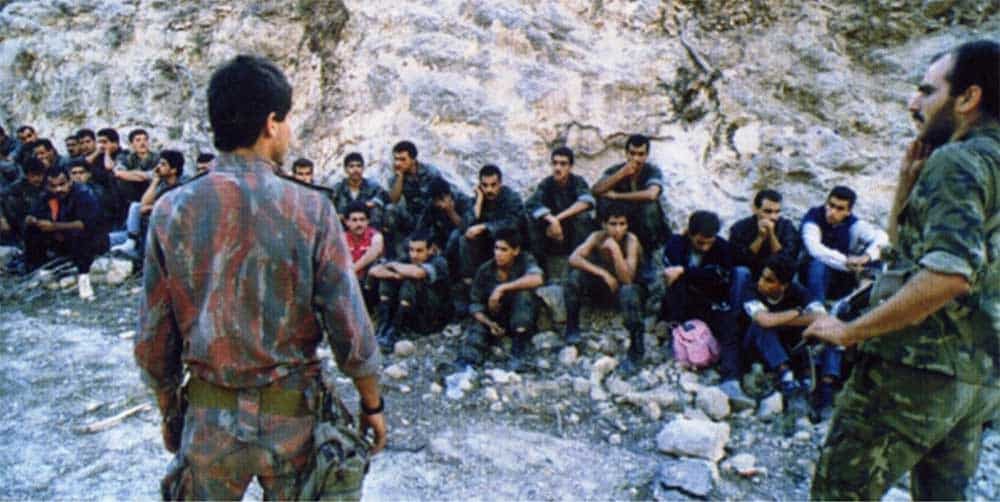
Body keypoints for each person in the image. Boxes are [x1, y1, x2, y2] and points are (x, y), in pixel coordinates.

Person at [134, 54, 386, 500]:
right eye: (285, 120)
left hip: (209, 420)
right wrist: (372, 403)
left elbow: (154, 337)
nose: (287, 131)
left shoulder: (172, 210)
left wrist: (169, 410)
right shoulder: (312, 209)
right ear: (271, 124)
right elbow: (350, 327)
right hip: (292, 422)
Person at [806, 40, 1000, 500]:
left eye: (927, 91)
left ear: (968, 98)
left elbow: (948, 276)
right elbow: (910, 257)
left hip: (912, 370)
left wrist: (850, 332)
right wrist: (906, 189)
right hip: (979, 380)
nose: (915, 103)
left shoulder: (960, 160)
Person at [661, 210, 753, 408]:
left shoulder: (721, 247)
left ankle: (731, 381)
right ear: (690, 234)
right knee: (677, 285)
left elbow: (719, 275)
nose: (705, 248)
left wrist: (685, 271)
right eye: (700, 243)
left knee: (730, 329)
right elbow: (671, 273)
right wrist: (692, 275)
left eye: (709, 243)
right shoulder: (676, 244)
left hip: (711, 301)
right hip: (684, 302)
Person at [740, 255, 839, 418]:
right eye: (762, 277)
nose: (761, 282)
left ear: (784, 285)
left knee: (829, 329)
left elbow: (821, 316)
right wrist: (796, 312)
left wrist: (780, 320)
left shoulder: (798, 291)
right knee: (760, 326)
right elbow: (764, 320)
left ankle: (825, 392)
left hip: (789, 346)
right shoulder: (751, 291)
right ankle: (787, 379)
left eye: (769, 280)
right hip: (757, 349)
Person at [563, 204, 644, 373]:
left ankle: (636, 348)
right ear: (604, 225)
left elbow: (627, 279)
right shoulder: (597, 237)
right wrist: (603, 273)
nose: (618, 229)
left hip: (628, 292)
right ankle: (572, 327)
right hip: (605, 287)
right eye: (613, 224)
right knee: (574, 277)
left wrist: (615, 251)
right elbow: (574, 258)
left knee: (628, 292)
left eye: (622, 224)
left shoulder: (631, 240)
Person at [455, 227, 543, 371]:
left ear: (515, 251)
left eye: (504, 249)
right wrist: (489, 323)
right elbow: (475, 304)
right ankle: (468, 362)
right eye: (496, 248)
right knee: (476, 331)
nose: (498, 253)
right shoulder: (485, 270)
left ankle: (518, 353)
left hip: (519, 317)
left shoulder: (525, 260)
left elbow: (537, 279)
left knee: (524, 295)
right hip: (494, 317)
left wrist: (501, 288)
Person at [23, 165, 106, 299]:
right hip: (61, 238)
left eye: (62, 184)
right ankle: (37, 270)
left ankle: (84, 278)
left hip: (91, 241)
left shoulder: (83, 194)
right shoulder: (46, 196)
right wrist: (32, 220)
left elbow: (84, 224)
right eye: (53, 186)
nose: (58, 189)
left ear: (70, 182)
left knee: (79, 234)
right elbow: (33, 213)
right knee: (31, 231)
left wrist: (54, 226)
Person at [799, 185, 888, 304]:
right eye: (831, 205)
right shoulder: (813, 218)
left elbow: (882, 237)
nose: (832, 212)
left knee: (878, 257)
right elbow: (814, 249)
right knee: (819, 263)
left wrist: (866, 257)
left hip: (840, 278)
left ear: (848, 212)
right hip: (810, 276)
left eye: (840, 209)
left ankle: (859, 300)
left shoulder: (854, 224)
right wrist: (847, 262)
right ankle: (815, 307)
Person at [367, 229, 450, 351]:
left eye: (419, 251)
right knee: (387, 280)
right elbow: (373, 271)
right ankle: (384, 326)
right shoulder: (408, 259)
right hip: (410, 311)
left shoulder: (439, 262)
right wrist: (394, 275)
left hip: (431, 317)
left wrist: (394, 266)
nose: (414, 255)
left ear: (431, 249)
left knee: (410, 281)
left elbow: (417, 273)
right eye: (411, 250)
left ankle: (394, 332)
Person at [592, 134, 669, 257]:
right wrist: (620, 174)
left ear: (646, 155)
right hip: (621, 220)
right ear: (626, 153)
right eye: (632, 153)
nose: (635, 158)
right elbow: (596, 190)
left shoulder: (652, 171)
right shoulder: (616, 170)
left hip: (643, 222)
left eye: (640, 154)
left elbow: (652, 194)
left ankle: (650, 253)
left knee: (650, 207)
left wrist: (617, 196)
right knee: (603, 200)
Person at [525, 146, 595, 276]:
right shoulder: (547, 184)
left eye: (563, 164)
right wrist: (551, 220)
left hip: (571, 231)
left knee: (583, 218)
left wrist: (557, 219)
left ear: (570, 167)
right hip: (551, 233)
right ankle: (540, 270)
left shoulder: (577, 181)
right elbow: (532, 204)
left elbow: (586, 202)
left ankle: (580, 268)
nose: (558, 168)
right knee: (531, 221)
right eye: (555, 163)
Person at [728, 189, 800, 307]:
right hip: (751, 274)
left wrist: (771, 235)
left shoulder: (786, 226)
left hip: (775, 276)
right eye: (768, 211)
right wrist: (760, 238)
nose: (773, 217)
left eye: (777, 212)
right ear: (755, 209)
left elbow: (786, 260)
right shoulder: (739, 228)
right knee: (741, 272)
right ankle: (735, 312)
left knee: (792, 275)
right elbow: (739, 260)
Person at [111, 150, 186, 260]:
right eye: (159, 163)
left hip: (164, 230)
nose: (158, 167)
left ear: (173, 170)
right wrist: (155, 181)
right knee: (107, 239)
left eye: (163, 164)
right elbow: (143, 205)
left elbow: (174, 208)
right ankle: (131, 241)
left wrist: (152, 208)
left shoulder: (183, 185)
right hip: (142, 229)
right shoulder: (161, 182)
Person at [384, 140, 443, 257]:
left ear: (413, 159)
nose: (398, 163)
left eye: (403, 159)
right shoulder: (396, 175)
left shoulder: (430, 172)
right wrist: (400, 177)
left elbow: (441, 195)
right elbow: (393, 200)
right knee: (390, 209)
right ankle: (391, 250)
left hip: (430, 216)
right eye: (396, 159)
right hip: (411, 217)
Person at [343, 200, 385, 307]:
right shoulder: (341, 238)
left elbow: (375, 251)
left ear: (368, 221)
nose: (359, 224)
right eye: (354, 220)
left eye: (362, 220)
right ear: (347, 222)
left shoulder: (376, 236)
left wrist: (352, 270)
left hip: (369, 285)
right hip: (348, 284)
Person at [331, 152, 388, 230]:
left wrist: (369, 204)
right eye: (351, 166)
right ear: (345, 169)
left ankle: (374, 235)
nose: (355, 170)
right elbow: (329, 208)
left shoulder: (372, 187)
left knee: (375, 210)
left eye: (359, 166)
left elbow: (382, 200)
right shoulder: (338, 188)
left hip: (367, 229)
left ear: (363, 168)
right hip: (344, 229)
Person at [112, 129, 157, 223]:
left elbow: (155, 175)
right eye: (138, 140)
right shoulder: (126, 157)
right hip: (132, 195)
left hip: (152, 193)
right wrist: (143, 175)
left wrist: (131, 173)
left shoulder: (157, 157)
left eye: (145, 139)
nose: (142, 143)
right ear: (131, 144)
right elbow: (118, 173)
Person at [0, 157, 46, 249]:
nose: (37, 179)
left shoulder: (48, 185)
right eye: (33, 176)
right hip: (17, 223)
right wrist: (2, 218)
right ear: (26, 175)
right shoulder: (16, 187)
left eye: (39, 175)